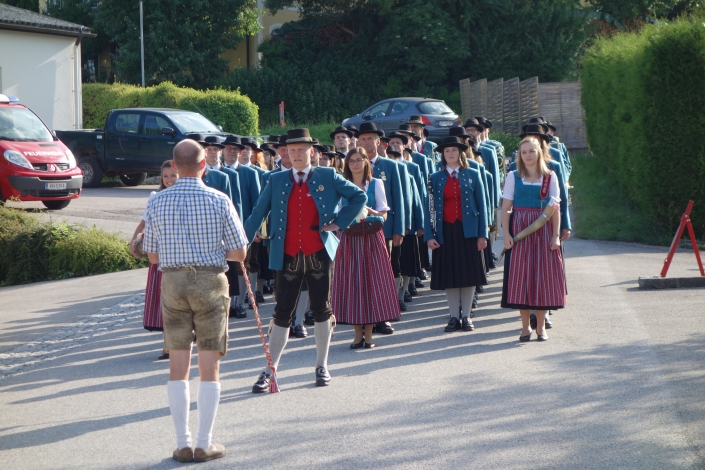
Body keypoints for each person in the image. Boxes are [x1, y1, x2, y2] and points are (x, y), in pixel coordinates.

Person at [143, 139, 248, 463]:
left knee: (178, 362)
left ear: (174, 166)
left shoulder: (157, 201)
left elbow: (152, 255)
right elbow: (239, 252)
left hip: (173, 281)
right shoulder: (219, 199)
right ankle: (204, 442)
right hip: (210, 280)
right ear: (204, 165)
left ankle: (182, 443)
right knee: (209, 362)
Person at [244, 128, 367, 391]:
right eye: (292, 150)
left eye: (301, 150)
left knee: (322, 308)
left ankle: (322, 365)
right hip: (287, 254)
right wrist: (241, 242)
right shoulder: (275, 179)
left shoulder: (328, 175)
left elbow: (359, 197)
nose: (296, 154)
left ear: (312, 152)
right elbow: (257, 213)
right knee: (282, 312)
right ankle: (269, 370)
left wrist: (339, 223)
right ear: (285, 153)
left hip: (319, 252)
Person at [331, 148, 399, 348]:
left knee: (371, 283)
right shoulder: (341, 184)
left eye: (359, 160)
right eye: (351, 160)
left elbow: (384, 214)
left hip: (371, 238)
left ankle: (368, 334)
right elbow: (335, 212)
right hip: (348, 239)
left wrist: (369, 211)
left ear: (366, 162)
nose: (355, 164)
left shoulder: (376, 183)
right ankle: (356, 334)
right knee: (352, 284)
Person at [500, 137, 566, 341]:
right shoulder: (513, 176)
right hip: (520, 230)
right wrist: (506, 234)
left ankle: (541, 327)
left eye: (531, 151)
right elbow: (506, 207)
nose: (527, 155)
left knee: (542, 278)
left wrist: (556, 236)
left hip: (543, 231)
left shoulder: (550, 176)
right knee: (521, 278)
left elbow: (555, 209)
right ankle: (525, 327)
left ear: (539, 153)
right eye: (524, 152)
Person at [424, 136, 488, 332]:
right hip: (445, 231)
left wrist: (482, 235)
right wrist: (429, 235)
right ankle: (453, 316)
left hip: (468, 231)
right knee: (450, 275)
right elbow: (430, 208)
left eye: (454, 150)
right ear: (443, 155)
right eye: (447, 151)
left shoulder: (474, 173)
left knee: (468, 274)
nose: (450, 153)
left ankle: (466, 316)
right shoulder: (435, 177)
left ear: (460, 152)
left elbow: (483, 205)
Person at [356, 122, 405, 335]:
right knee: (362, 275)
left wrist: (399, 228)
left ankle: (383, 315)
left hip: (384, 229)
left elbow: (399, 199)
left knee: (384, 273)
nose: (366, 142)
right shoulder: (352, 165)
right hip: (357, 232)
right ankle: (364, 315)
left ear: (378, 142)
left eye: (370, 139)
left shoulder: (390, 166)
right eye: (363, 139)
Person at [130, 160, 178, 360]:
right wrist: (134, 239)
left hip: (179, 254)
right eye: (165, 176)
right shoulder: (155, 197)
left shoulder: (184, 196)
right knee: (164, 300)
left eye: (173, 175)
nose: (169, 180)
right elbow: (145, 221)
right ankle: (168, 345)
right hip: (160, 255)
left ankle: (183, 338)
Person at [221, 135, 263, 316]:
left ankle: (240, 302)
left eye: (235, 149)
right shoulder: (217, 172)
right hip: (220, 228)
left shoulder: (249, 173)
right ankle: (226, 302)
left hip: (244, 227)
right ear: (223, 150)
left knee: (243, 264)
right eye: (228, 148)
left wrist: (257, 228)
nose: (232, 152)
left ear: (240, 152)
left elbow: (257, 203)